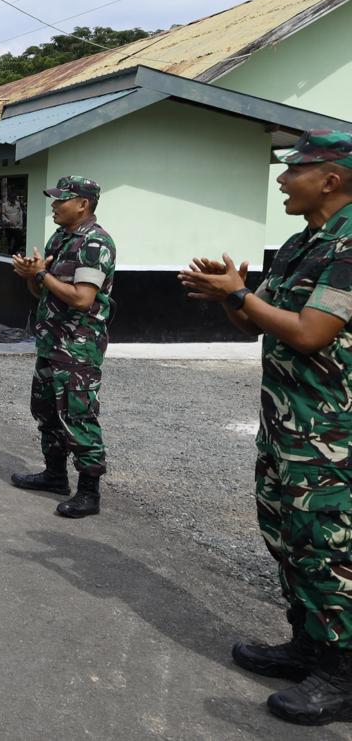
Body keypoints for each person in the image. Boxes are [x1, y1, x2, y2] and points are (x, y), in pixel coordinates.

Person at [180, 130, 352, 726]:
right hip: (289, 425)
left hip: (334, 433)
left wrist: (243, 296)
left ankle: (344, 672)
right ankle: (308, 644)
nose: (281, 179)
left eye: (294, 170)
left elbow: (309, 332)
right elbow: (258, 324)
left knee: (331, 548)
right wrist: (230, 296)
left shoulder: (349, 245)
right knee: (289, 536)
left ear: (330, 179)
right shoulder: (305, 242)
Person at [10, 176, 115, 519]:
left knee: (78, 415)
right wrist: (31, 274)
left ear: (83, 204)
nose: (54, 205)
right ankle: (55, 475)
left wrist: (41, 275)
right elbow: (44, 292)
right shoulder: (61, 238)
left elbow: (82, 299)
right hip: (51, 341)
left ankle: (89, 492)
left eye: (61, 200)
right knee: (46, 411)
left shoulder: (96, 243)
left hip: (78, 346)